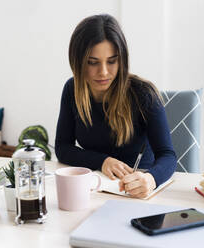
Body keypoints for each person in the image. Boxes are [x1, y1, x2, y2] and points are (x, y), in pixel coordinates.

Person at [55, 14, 177, 199]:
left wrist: (151, 179)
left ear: (122, 60)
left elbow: (168, 155)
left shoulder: (144, 94)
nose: (103, 72)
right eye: (92, 62)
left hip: (137, 191)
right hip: (95, 190)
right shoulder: (72, 89)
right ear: (77, 62)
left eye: (112, 61)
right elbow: (62, 147)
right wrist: (102, 161)